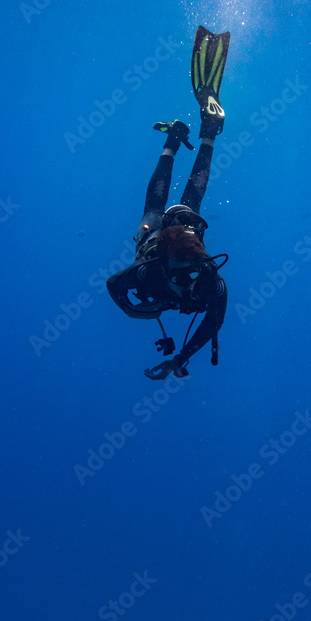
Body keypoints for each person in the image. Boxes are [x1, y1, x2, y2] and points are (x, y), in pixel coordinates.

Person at [107, 26, 231, 380]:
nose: (191, 282)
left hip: (175, 233)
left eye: (193, 272)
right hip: (172, 234)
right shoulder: (153, 272)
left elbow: (215, 320)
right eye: (185, 274)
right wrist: (137, 311)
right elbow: (115, 286)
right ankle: (201, 134)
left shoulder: (206, 277)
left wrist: (181, 357)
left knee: (156, 208)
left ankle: (186, 136)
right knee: (183, 203)